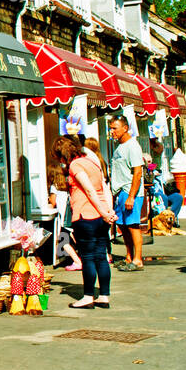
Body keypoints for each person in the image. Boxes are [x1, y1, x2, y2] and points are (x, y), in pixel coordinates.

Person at [55, 136, 117, 308]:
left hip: (86, 215)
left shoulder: (76, 165)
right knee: (101, 257)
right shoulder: (92, 162)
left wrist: (104, 212)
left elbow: (89, 190)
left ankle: (88, 296)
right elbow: (104, 187)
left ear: (63, 154)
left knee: (88, 258)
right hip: (101, 216)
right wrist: (108, 211)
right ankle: (104, 296)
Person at [108, 116, 146, 270]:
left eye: (115, 128)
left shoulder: (132, 146)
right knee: (123, 226)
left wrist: (131, 196)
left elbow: (137, 172)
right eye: (110, 128)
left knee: (132, 225)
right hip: (119, 192)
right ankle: (129, 256)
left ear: (125, 128)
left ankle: (138, 259)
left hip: (130, 192)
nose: (112, 132)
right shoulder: (119, 147)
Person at [48, 169, 83, 270]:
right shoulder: (68, 186)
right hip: (72, 214)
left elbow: (53, 202)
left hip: (63, 218)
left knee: (63, 240)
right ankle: (83, 258)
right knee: (74, 237)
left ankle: (77, 261)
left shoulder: (54, 187)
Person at [149, 139, 182, 222]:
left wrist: (155, 141)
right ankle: (163, 219)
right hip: (154, 192)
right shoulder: (147, 170)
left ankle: (171, 216)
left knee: (178, 197)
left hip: (163, 189)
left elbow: (160, 149)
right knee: (162, 198)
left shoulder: (156, 162)